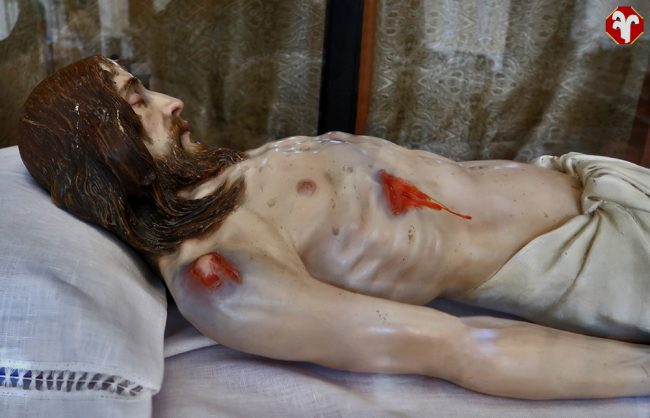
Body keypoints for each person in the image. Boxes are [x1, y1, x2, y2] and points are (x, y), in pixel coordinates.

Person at [18, 55, 650, 400]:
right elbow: (459, 348)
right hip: (600, 256)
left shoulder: (221, 179)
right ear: (103, 156)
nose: (171, 102)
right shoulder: (222, 275)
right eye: (138, 103)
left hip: (590, 180)